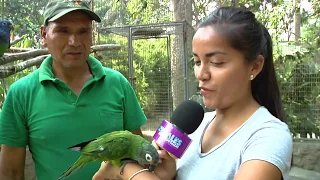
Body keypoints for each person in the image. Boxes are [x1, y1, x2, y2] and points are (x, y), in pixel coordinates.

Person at [92, 6, 293, 180]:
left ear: (255, 66)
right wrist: (165, 175)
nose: (201, 74)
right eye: (197, 61)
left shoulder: (268, 137)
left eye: (216, 62)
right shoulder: (195, 125)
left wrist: (126, 169)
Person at [0, 0, 147, 180]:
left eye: (83, 31)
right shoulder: (21, 93)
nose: (75, 42)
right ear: (44, 35)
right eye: (63, 31)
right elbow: (11, 172)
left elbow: (138, 151)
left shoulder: (118, 84)